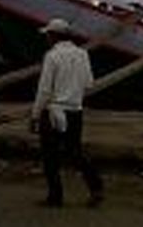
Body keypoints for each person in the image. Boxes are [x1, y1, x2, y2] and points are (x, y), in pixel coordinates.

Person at [30, 18, 103, 207]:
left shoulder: (52, 56)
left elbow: (44, 90)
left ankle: (55, 196)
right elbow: (88, 84)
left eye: (48, 35)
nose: (47, 39)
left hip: (54, 111)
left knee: (50, 156)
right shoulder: (82, 54)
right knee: (75, 152)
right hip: (75, 111)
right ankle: (95, 186)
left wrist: (35, 115)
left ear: (54, 36)